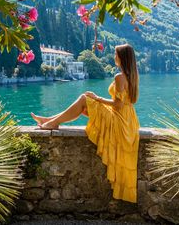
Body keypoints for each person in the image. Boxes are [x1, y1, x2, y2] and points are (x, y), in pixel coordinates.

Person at [31, 43, 140, 203]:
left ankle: (51, 122)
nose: (114, 57)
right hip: (128, 119)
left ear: (122, 57)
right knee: (84, 103)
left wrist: (97, 98)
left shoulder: (119, 77)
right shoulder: (132, 76)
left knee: (85, 99)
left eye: (116, 54)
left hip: (118, 119)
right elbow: (125, 103)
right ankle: (49, 121)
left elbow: (117, 104)